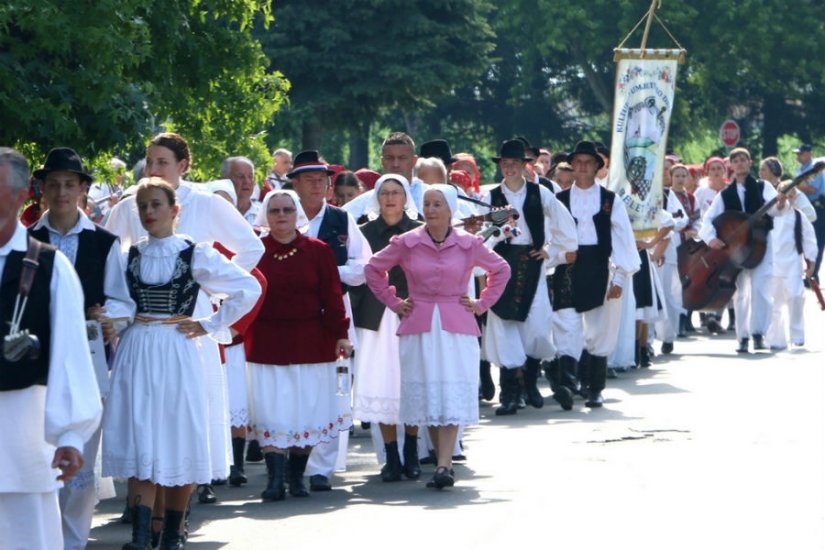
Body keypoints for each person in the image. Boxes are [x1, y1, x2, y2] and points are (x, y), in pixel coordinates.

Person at [100, 178, 261, 549]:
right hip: (138, 349)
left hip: (178, 347)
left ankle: (173, 532)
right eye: (142, 206)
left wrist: (210, 324)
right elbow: (123, 305)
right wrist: (109, 316)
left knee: (177, 434)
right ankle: (141, 536)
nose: (148, 212)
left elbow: (247, 287)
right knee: (141, 435)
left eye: (156, 204)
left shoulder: (195, 253)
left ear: (175, 210)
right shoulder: (128, 256)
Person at [366, 184, 510, 488]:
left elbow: (501, 270)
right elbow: (373, 269)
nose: (430, 210)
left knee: (451, 391)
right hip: (418, 324)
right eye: (427, 204)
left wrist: (481, 303)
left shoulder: (469, 243)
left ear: (450, 209)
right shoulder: (407, 241)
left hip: (456, 324)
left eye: (437, 204)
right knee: (430, 394)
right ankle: (441, 463)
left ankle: (444, 464)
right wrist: (394, 302)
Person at [27, 147, 130, 550]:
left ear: (84, 189)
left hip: (88, 357)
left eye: (70, 184)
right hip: (36, 358)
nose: (62, 192)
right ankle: (42, 537)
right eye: (54, 185)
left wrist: (107, 316)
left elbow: (123, 300)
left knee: (81, 449)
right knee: (40, 448)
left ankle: (73, 540)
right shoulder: (28, 239)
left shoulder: (103, 242)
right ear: (42, 190)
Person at [0, 147, 102, 550]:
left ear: (24, 193)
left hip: (23, 429)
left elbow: (71, 357)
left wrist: (72, 435)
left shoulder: (48, 266)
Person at [245, 189, 353, 501]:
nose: (281, 216)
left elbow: (333, 298)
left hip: (311, 341)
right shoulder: (254, 251)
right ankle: (275, 479)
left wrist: (341, 334)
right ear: (266, 215)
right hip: (266, 342)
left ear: (297, 215)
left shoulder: (318, 250)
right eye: (275, 210)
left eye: (287, 210)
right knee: (271, 410)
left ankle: (296, 477)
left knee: (305, 410)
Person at [288, 149, 371, 491]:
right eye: (309, 180)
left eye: (322, 180)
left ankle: (322, 466)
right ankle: (291, 462)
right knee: (293, 387)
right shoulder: (282, 215)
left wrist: (326, 271)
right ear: (295, 184)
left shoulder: (341, 220)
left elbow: (364, 267)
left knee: (335, 386)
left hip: (334, 314)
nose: (317, 186)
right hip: (292, 318)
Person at [481, 139, 578, 415]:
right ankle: (509, 393)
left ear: (524, 166)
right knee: (504, 322)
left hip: (532, 264)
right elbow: (482, 236)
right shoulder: (490, 197)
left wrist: (550, 251)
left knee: (536, 323)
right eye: (504, 164)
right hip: (502, 265)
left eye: (514, 163)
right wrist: (497, 232)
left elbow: (564, 227)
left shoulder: (540, 193)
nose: (509, 168)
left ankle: (531, 381)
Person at [554, 142, 639, 407]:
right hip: (568, 267)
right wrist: (558, 256)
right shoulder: (560, 200)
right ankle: (568, 382)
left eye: (587, 162)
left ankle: (595, 387)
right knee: (566, 323)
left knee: (600, 328)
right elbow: (551, 235)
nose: (581, 167)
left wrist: (620, 277)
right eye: (577, 162)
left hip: (599, 266)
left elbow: (624, 239)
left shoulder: (609, 201)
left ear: (596, 167)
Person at [349, 174, 423, 481]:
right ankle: (391, 455)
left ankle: (412, 452)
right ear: (377, 198)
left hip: (413, 312)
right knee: (382, 382)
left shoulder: (420, 232)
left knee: (412, 381)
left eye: (396, 192)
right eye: (385, 193)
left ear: (406, 198)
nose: (390, 198)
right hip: (376, 317)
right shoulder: (364, 232)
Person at [699, 147, 788, 353]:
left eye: (743, 160)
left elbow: (775, 210)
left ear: (750, 163)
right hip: (737, 250)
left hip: (760, 245)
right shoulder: (725, 194)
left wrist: (781, 204)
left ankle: (758, 333)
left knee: (760, 289)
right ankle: (742, 337)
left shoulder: (762, 186)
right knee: (740, 294)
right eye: (735, 160)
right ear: (731, 165)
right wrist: (711, 239)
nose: (739, 163)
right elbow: (708, 220)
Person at [766, 180, 817, 350]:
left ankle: (797, 335)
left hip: (793, 263)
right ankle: (775, 338)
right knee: (774, 303)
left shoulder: (798, 216)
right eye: (785, 194)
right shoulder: (770, 215)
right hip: (772, 264)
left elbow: (809, 239)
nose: (788, 198)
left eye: (792, 195)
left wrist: (811, 261)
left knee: (796, 297)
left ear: (795, 197)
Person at [343, 132, 427, 220]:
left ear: (414, 161)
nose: (395, 164)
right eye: (390, 158)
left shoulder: (432, 198)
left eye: (402, 158)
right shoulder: (357, 209)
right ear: (382, 161)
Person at [793, 144, 825, 282]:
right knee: (803, 240)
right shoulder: (802, 169)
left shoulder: (815, 168)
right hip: (804, 208)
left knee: (816, 241)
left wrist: (796, 186)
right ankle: (806, 272)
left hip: (817, 207)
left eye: (800, 153)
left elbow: (813, 189)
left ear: (808, 153)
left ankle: (813, 274)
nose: (798, 156)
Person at [222, 156, 260, 224]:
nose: (247, 181)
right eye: (240, 176)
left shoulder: (262, 213)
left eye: (250, 176)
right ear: (224, 179)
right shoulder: (216, 210)